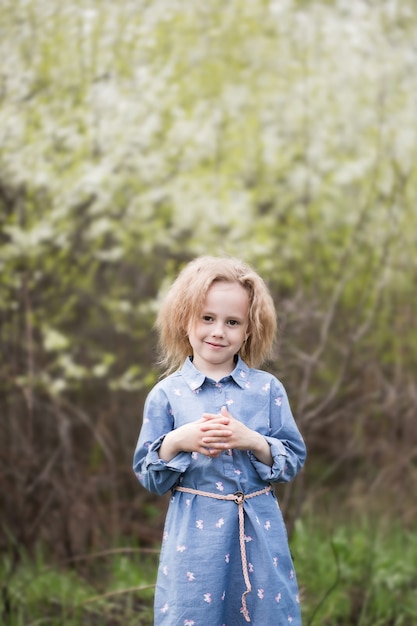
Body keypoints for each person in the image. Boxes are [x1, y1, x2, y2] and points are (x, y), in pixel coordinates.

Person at [133, 256, 306, 625]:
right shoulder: (167, 395)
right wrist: (178, 440)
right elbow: (149, 475)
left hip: (257, 528)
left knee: (264, 613)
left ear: (248, 330)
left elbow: (292, 460)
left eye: (232, 322)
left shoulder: (266, 389)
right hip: (195, 538)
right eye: (207, 318)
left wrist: (254, 440)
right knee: (195, 612)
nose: (218, 331)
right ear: (185, 320)